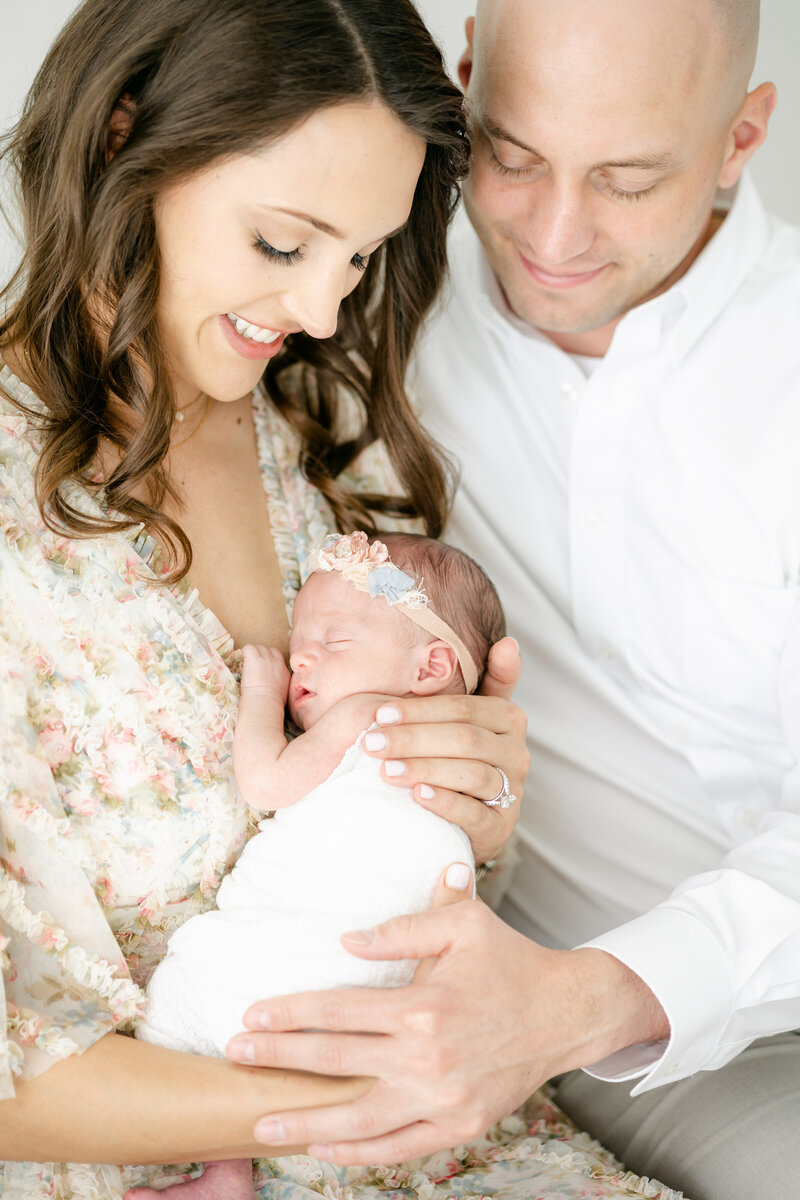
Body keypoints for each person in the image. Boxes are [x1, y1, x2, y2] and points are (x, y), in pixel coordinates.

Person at [230, 2, 800, 1198]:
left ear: (742, 137)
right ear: (470, 82)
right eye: (513, 154)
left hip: (673, 1002)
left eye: (628, 180)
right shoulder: (364, 290)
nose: (552, 233)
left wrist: (579, 1002)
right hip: (627, 1041)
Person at [0, 1, 537, 1195]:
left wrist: (472, 815)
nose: (322, 314)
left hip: (442, 1126)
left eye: (359, 257)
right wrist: (352, 1099)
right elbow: (14, 1069)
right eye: (285, 245)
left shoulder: (326, 440)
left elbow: (398, 867)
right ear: (121, 142)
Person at [128, 530, 501, 1200]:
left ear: (430, 666)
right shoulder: (463, 762)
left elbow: (267, 782)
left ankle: (221, 1170)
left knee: (177, 1013)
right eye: (299, 641)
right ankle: (238, 1166)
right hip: (378, 994)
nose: (302, 655)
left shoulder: (366, 716)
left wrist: (259, 689)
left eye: (333, 641)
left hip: (289, 956)